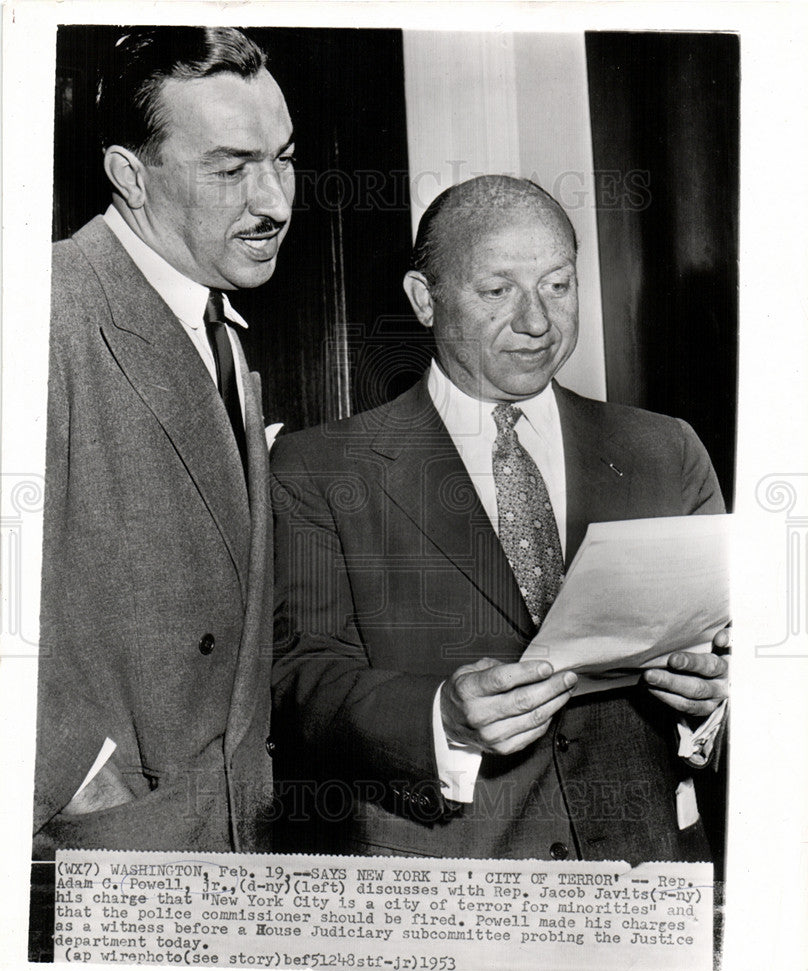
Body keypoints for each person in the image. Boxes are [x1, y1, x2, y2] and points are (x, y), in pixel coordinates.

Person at [270, 175, 728, 862]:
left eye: (558, 285)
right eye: (498, 291)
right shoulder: (318, 471)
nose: (538, 321)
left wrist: (718, 694)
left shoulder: (666, 450)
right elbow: (300, 680)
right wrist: (443, 717)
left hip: (648, 865)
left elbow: (738, 651)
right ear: (424, 301)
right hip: (446, 889)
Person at [33, 27, 295, 854]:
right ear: (128, 176)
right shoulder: (46, 309)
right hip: (104, 850)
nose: (276, 202)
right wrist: (77, 780)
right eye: (231, 169)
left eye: (282, 158)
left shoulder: (216, 321)